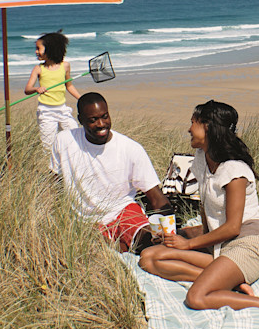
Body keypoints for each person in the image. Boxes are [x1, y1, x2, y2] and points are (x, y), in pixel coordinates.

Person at [139, 100, 259, 321]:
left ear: (209, 127)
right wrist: (182, 235)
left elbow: (232, 228)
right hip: (218, 246)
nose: (189, 128)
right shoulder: (202, 160)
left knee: (196, 298)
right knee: (149, 257)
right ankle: (232, 283)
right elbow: (209, 216)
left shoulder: (235, 170)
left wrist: (189, 244)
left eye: (193, 123)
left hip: (245, 247)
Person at [50, 92, 171, 252]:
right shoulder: (64, 141)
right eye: (93, 120)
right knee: (103, 251)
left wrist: (170, 231)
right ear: (80, 121)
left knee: (148, 241)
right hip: (86, 221)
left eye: (105, 116)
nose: (101, 124)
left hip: (123, 212)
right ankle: (119, 246)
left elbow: (156, 198)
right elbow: (54, 185)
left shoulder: (130, 149)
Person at [23, 31, 81, 153]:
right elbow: (27, 89)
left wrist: (81, 99)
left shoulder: (65, 66)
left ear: (50, 49)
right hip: (46, 112)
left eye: (39, 49)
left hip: (62, 109)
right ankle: (51, 169)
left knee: (75, 134)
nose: (36, 51)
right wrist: (36, 89)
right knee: (48, 145)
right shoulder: (38, 68)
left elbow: (69, 86)